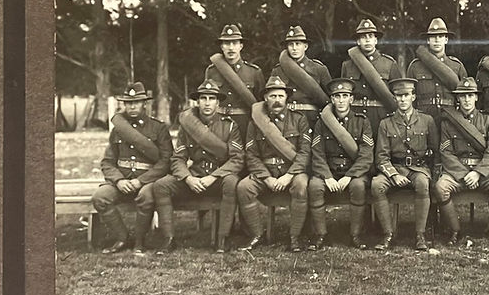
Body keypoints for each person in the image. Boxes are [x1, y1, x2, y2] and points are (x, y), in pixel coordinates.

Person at [151, 79, 244, 254]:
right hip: (194, 178)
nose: (207, 103)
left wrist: (213, 177)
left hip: (217, 179)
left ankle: (223, 239)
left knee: (232, 182)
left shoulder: (230, 126)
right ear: (197, 101)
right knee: (161, 186)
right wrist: (188, 178)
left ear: (218, 103)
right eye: (203, 98)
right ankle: (168, 239)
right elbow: (178, 158)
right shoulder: (187, 127)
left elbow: (237, 159)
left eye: (211, 98)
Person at [94, 82, 173, 254]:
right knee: (101, 197)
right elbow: (107, 161)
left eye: (136, 102)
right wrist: (118, 180)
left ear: (144, 103)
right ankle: (122, 238)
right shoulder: (118, 131)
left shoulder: (158, 128)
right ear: (124, 104)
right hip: (122, 182)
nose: (132, 106)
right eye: (128, 103)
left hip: (147, 181)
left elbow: (166, 161)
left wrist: (141, 181)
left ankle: (139, 241)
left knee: (146, 196)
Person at [236, 76, 312, 252]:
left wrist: (289, 175)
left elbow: (305, 152)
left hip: (292, 170)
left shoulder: (299, 119)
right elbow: (252, 155)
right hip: (266, 171)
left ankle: (295, 237)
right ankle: (257, 234)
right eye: (272, 96)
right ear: (265, 98)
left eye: (280, 96)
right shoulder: (255, 123)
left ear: (286, 98)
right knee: (244, 187)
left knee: (301, 185)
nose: (277, 100)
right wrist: (267, 178)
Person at [433, 77, 489, 244]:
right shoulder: (448, 122)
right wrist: (464, 174)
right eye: (463, 96)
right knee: (441, 187)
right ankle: (455, 230)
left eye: (470, 95)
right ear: (458, 98)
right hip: (458, 172)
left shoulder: (488, 120)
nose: (466, 100)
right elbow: (446, 152)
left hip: (483, 171)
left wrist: (478, 173)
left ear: (476, 97)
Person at [372, 77, 439, 251]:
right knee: (377, 185)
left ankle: (420, 235)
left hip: (418, 169)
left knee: (423, 183)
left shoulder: (427, 120)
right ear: (394, 98)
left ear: (413, 97)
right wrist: (394, 174)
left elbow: (435, 151)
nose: (402, 99)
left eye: (406, 95)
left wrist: (432, 174)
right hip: (395, 168)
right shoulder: (386, 123)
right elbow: (381, 156)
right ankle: (388, 234)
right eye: (398, 96)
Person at [307, 79, 374, 250]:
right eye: (337, 96)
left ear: (351, 99)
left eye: (345, 96)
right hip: (329, 171)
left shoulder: (362, 121)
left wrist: (349, 176)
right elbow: (317, 153)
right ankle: (320, 235)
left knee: (358, 186)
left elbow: (366, 156)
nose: (341, 100)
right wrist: (327, 176)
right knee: (315, 186)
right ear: (332, 99)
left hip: (353, 172)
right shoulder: (322, 123)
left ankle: (355, 235)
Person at [203, 23, 265, 140]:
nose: (231, 48)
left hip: (244, 125)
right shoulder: (212, 71)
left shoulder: (254, 72)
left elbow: (261, 105)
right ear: (222, 47)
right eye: (227, 43)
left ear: (241, 46)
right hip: (219, 124)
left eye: (234, 43)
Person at [340, 18, 403, 132]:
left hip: (380, 117)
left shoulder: (389, 64)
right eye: (363, 37)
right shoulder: (347, 65)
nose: (367, 40)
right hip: (355, 117)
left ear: (376, 40)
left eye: (370, 36)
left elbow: (398, 94)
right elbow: (343, 94)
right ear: (358, 41)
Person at [406, 17, 467, 124]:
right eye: (433, 36)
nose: (437, 40)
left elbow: (466, 97)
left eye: (441, 36)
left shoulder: (457, 66)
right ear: (428, 40)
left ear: (446, 40)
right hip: (423, 120)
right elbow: (409, 97)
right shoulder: (415, 66)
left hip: (450, 120)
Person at [269, 25, 331, 126]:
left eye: (298, 44)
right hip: (287, 119)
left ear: (305, 47)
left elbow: (330, 98)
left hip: (311, 119)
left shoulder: (318, 69)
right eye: (291, 44)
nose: (294, 48)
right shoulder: (278, 70)